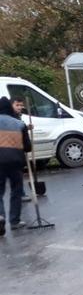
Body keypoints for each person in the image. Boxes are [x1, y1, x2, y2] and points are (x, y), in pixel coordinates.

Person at [0, 97, 32, 235]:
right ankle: (14, 221)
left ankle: (0, 217)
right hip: (15, 162)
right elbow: (27, 147)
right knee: (16, 191)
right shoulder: (19, 124)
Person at [11, 97, 36, 202]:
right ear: (11, 105)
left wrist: (26, 127)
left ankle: (20, 193)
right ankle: (20, 194)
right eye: (17, 105)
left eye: (21, 105)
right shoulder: (10, 116)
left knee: (17, 173)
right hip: (12, 149)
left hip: (18, 148)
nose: (20, 107)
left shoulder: (17, 116)